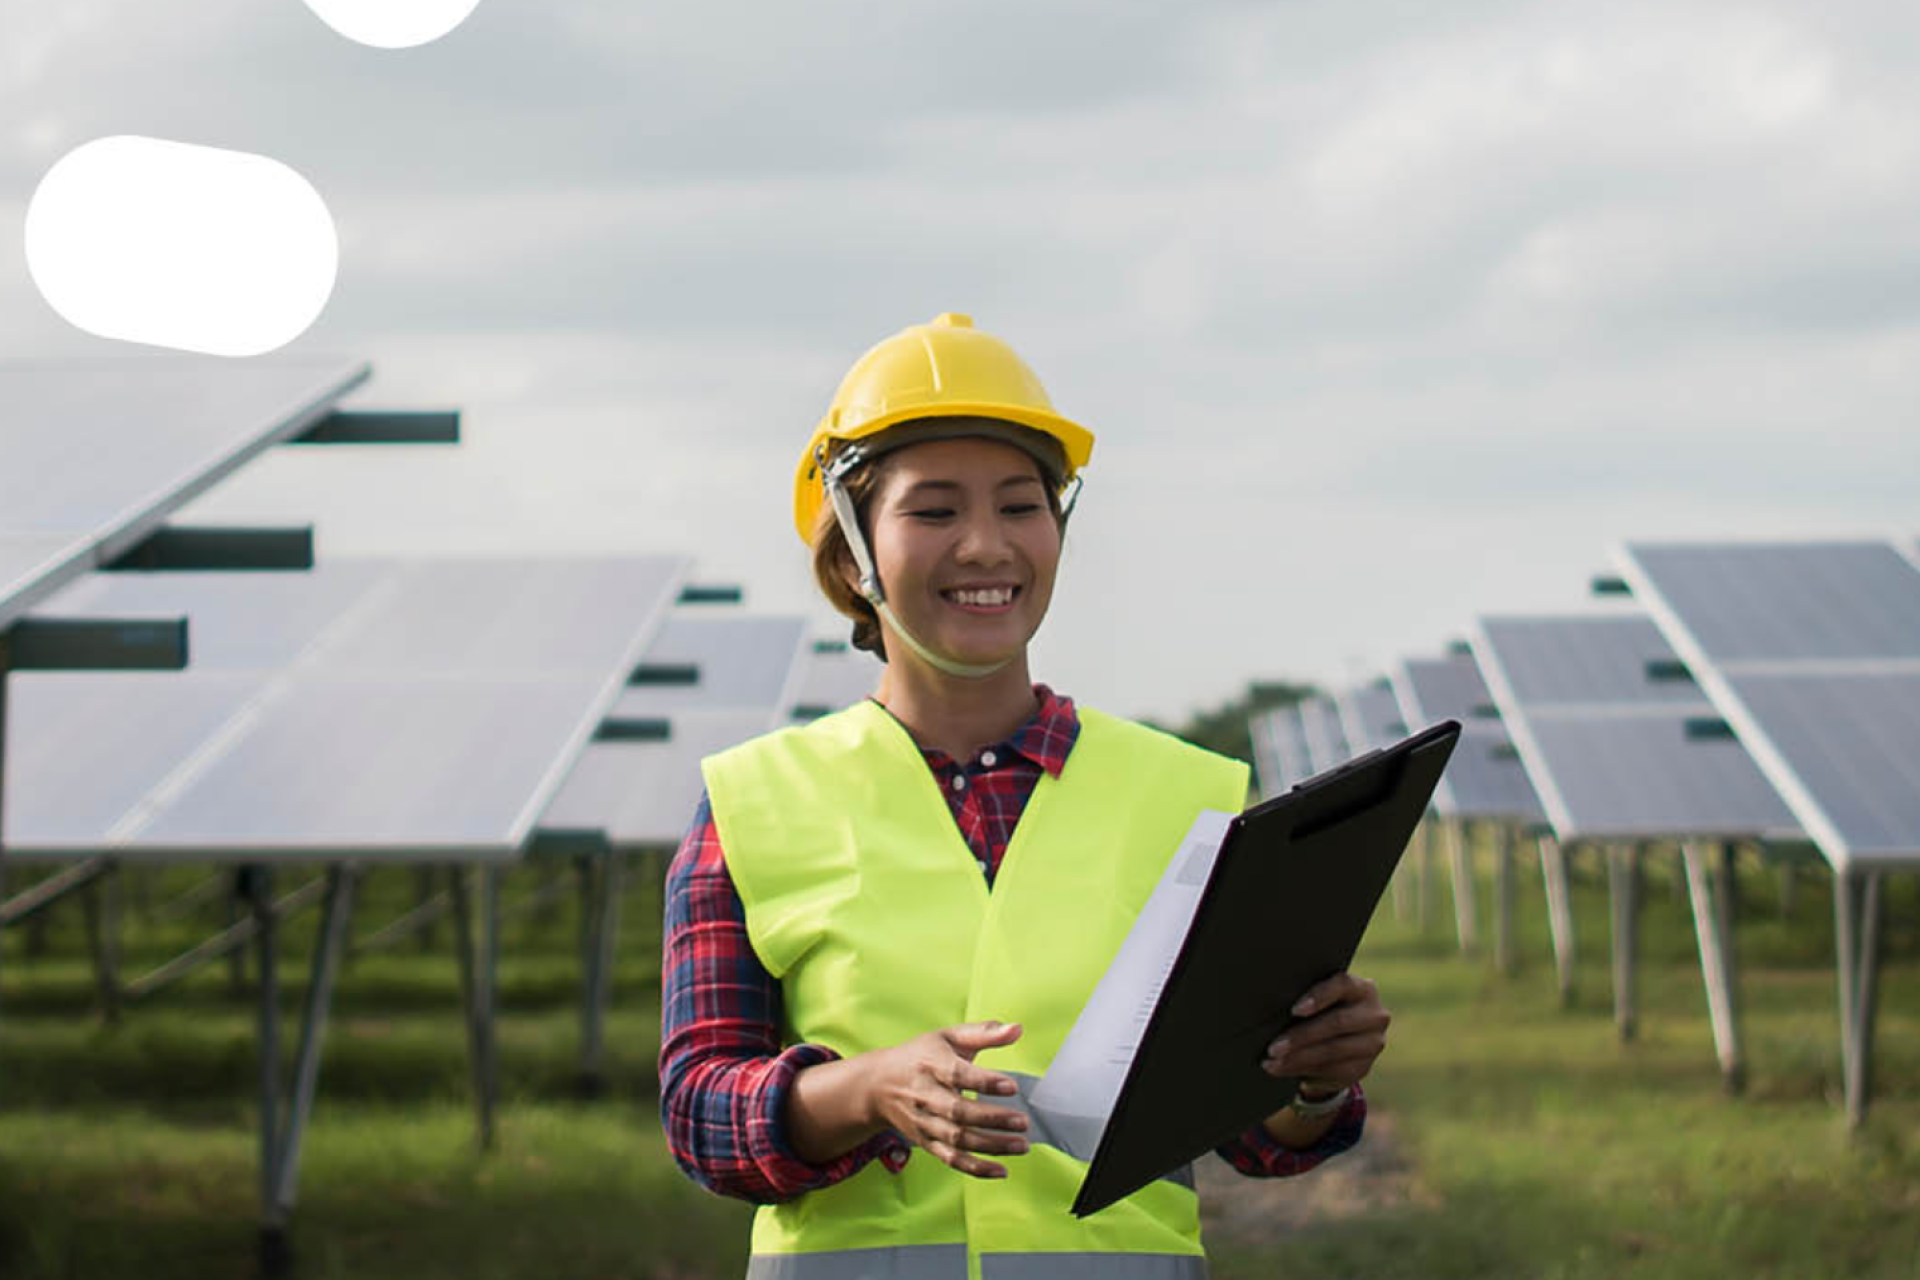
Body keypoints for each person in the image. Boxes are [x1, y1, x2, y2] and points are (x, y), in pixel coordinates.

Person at [660, 313, 1392, 1278]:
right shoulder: (752, 804)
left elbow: (1251, 1140)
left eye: (1019, 506)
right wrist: (866, 1089)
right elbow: (701, 1113)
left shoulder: (1192, 799)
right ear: (851, 556)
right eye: (932, 511)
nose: (984, 546)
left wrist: (1314, 1089)